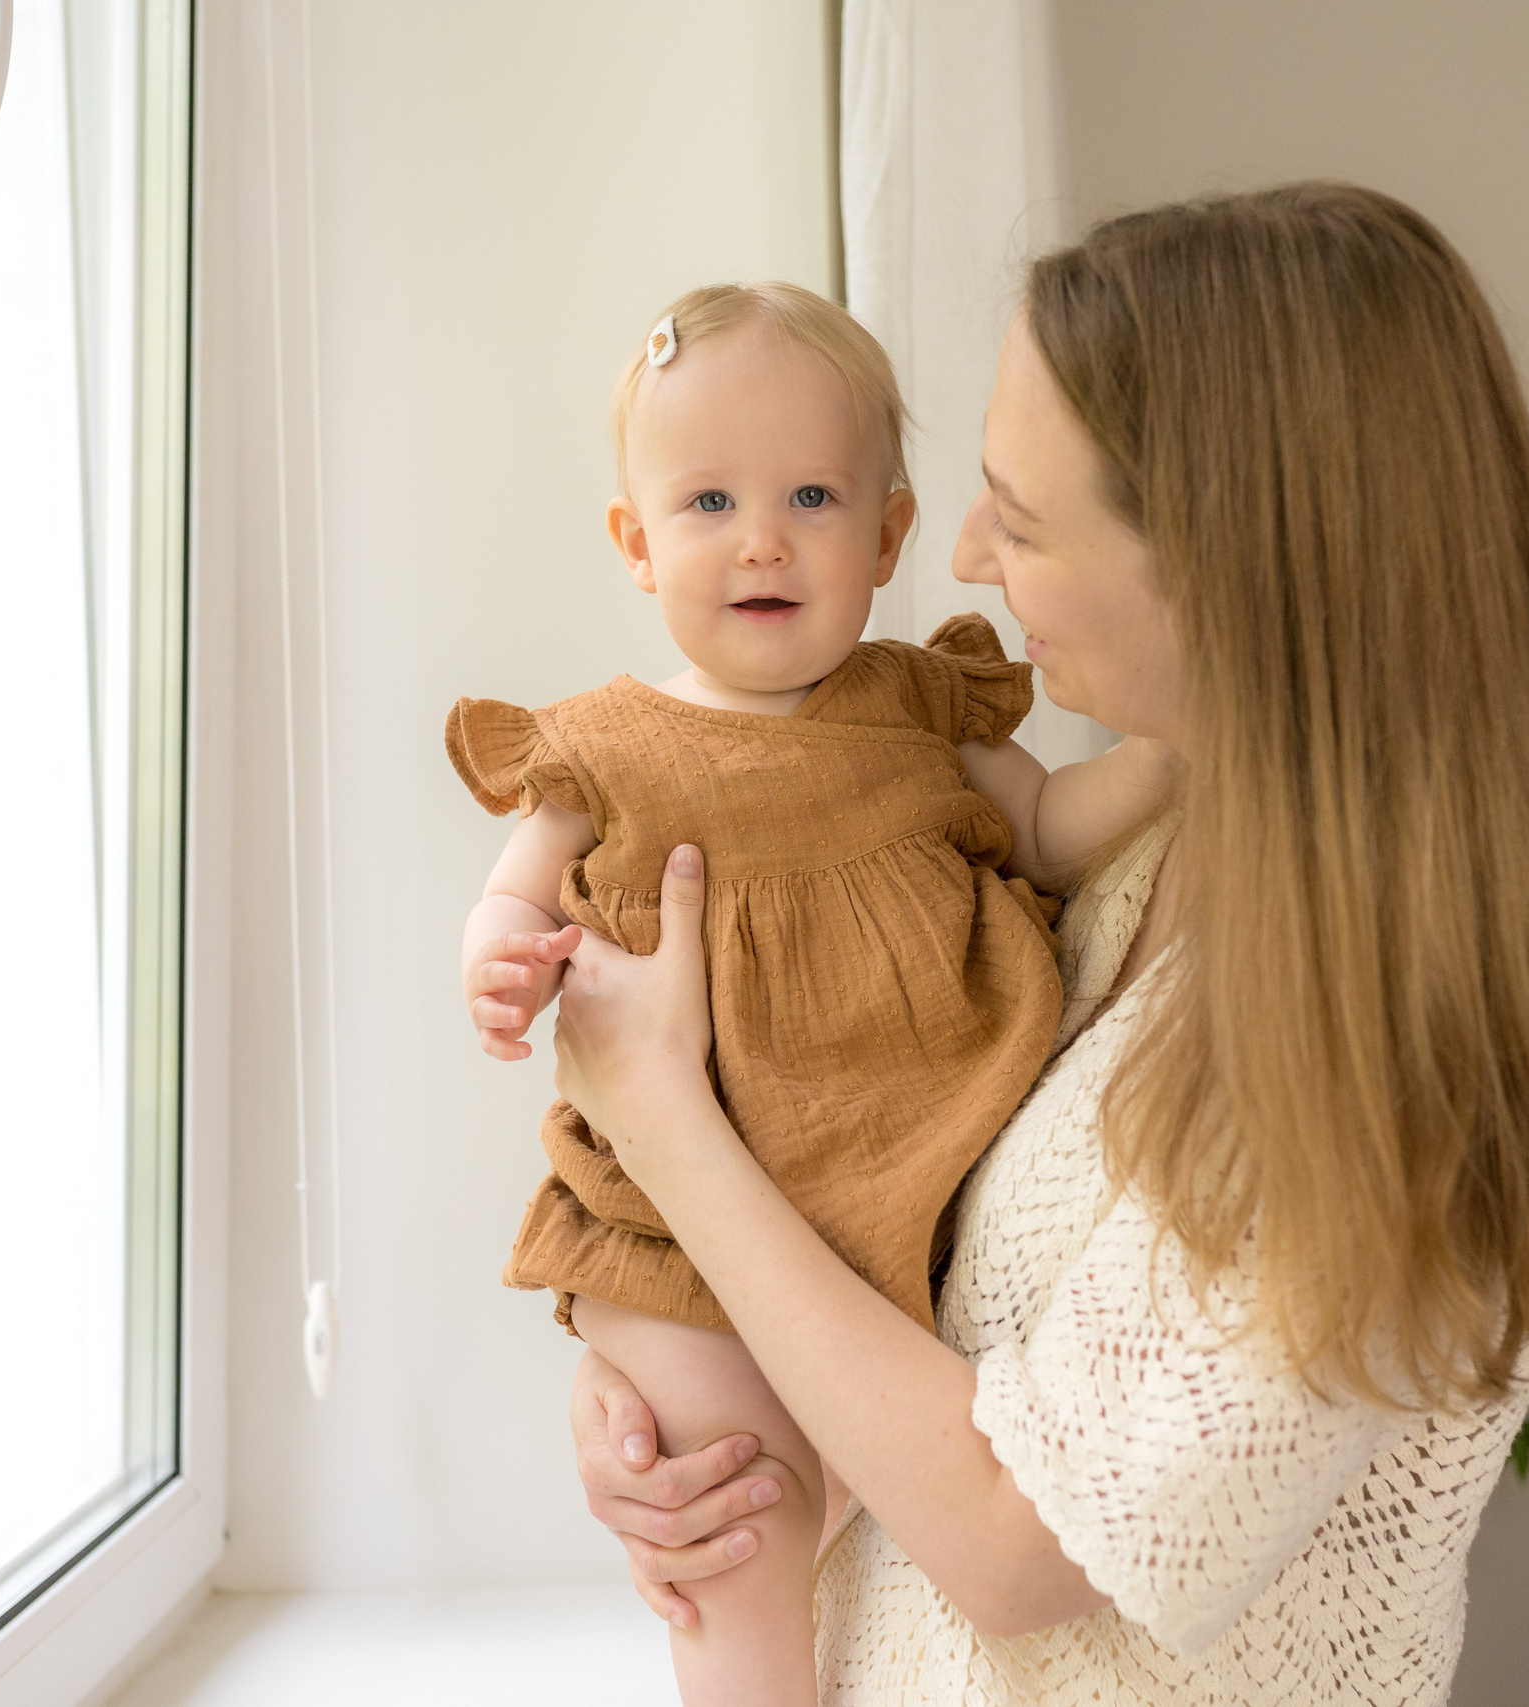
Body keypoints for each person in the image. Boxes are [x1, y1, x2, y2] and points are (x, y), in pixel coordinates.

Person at [551, 185, 1529, 1704]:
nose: (952, 556)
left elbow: (1023, 1543)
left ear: (1227, 562)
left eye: (1018, 517)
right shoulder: (1146, 851)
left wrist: (662, 1124)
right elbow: (915, 1243)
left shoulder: (1419, 1022)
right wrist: (680, 1401)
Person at [448, 281, 1175, 1706]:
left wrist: (1166, 755)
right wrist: (499, 956)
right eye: (708, 502)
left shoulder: (921, 709)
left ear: (891, 533)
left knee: (838, 1494)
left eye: (814, 496)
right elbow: (518, 879)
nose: (763, 537)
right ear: (636, 544)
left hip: (902, 1198)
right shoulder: (612, 747)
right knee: (733, 1515)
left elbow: (1047, 831)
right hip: (690, 1253)